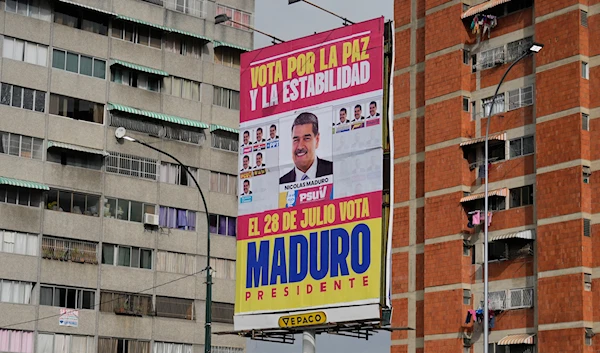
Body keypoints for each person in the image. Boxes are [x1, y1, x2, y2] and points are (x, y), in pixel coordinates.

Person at [279, 112, 333, 184]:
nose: (300, 146)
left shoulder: (333, 171)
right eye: (296, 140)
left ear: (317, 140)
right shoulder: (281, 183)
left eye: (306, 138)